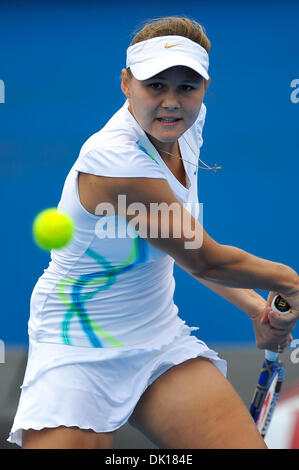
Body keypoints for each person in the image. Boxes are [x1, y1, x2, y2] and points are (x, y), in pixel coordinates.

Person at [8, 16, 299, 449]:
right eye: (155, 86)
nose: (171, 102)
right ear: (126, 84)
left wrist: (256, 308)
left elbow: (184, 246)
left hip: (155, 338)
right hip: (77, 345)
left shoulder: (185, 128)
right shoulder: (116, 160)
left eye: (187, 87)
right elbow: (205, 257)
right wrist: (289, 282)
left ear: (204, 87)